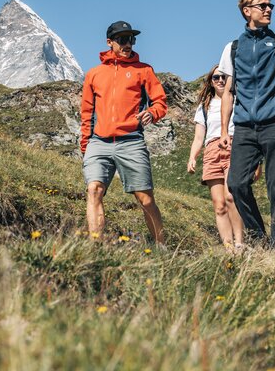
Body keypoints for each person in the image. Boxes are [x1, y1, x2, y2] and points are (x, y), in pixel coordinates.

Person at [218, 0, 275, 249]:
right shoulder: (233, 48)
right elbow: (228, 92)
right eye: (262, 6)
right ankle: (260, 237)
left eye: (270, 6)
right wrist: (224, 130)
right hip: (244, 126)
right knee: (236, 183)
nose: (269, 10)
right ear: (247, 11)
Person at [80, 21, 167, 243]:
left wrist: (152, 113)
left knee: (145, 199)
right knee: (94, 190)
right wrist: (86, 145)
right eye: (122, 39)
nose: (128, 43)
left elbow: (160, 102)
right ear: (110, 42)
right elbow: (87, 112)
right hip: (99, 142)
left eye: (131, 39)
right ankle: (95, 245)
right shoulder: (94, 74)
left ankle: (161, 246)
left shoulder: (144, 70)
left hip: (131, 142)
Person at [187, 65, 245, 251]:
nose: (220, 80)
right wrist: (192, 157)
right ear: (210, 82)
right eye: (216, 77)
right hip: (211, 150)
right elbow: (198, 137)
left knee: (230, 197)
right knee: (219, 205)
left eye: (224, 77)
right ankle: (228, 248)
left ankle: (240, 243)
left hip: (234, 146)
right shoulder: (204, 107)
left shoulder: (237, 101)